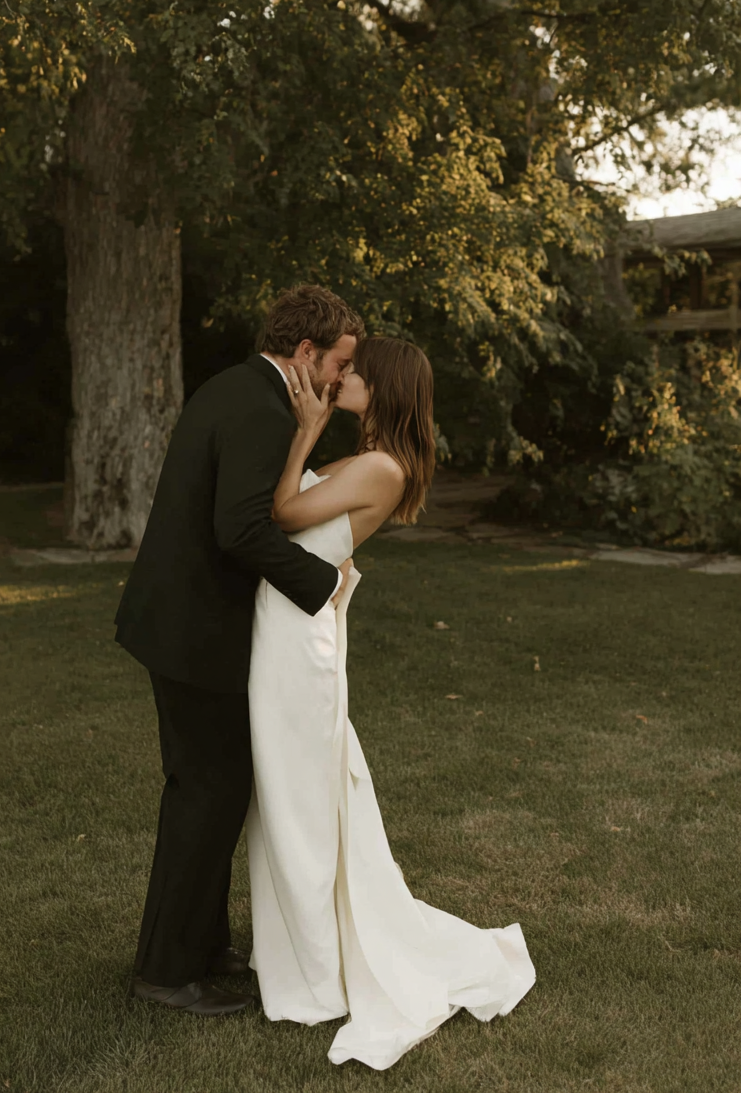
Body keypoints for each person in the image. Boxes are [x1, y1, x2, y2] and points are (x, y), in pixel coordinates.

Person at [246, 336, 536, 1069]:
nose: (341, 377)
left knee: (299, 804)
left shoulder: (380, 465)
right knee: (289, 799)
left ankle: (315, 975)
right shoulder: (377, 460)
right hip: (288, 625)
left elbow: (282, 511)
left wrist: (307, 427)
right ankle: (300, 955)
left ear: (382, 388)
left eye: (353, 372)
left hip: (294, 640)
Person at [115, 284, 364, 1016]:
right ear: (306, 351)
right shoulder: (259, 409)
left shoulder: (239, 386)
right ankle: (164, 971)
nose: (341, 380)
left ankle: (202, 943)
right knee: (206, 793)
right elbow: (243, 531)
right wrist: (329, 581)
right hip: (196, 631)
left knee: (214, 789)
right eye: (338, 364)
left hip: (178, 620)